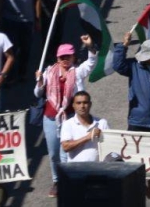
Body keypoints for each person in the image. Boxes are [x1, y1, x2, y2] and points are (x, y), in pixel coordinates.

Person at [34, 36, 98, 196]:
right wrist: (40, 82)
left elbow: (91, 64)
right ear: (57, 58)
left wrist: (90, 47)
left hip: (68, 117)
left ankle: (66, 181)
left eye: (68, 56)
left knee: (66, 152)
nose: (65, 60)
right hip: (50, 117)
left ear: (73, 57)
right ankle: (56, 180)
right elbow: (37, 93)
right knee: (54, 152)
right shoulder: (49, 71)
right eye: (62, 57)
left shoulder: (76, 72)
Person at [60, 90, 108, 165]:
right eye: (78, 103)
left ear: (90, 104)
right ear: (73, 105)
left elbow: (109, 145)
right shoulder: (68, 124)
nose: (82, 106)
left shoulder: (102, 123)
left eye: (85, 103)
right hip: (76, 169)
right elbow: (66, 147)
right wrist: (88, 137)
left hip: (97, 169)